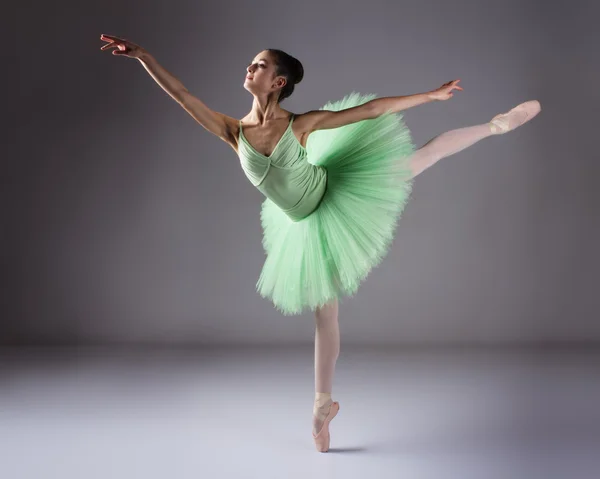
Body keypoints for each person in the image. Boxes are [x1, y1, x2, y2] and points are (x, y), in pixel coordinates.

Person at [100, 34, 542, 452]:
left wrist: (429, 96)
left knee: (424, 156)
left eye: (259, 64)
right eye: (251, 63)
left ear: (277, 81)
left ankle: (496, 125)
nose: (249, 67)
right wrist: (144, 56)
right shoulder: (232, 132)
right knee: (324, 315)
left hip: (338, 194)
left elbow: (371, 111)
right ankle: (322, 407)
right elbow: (182, 95)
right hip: (303, 224)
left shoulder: (301, 125)